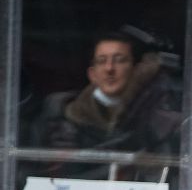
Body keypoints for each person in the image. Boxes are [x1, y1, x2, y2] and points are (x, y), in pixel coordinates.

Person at [34, 30, 181, 173]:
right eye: (101, 61)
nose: (109, 69)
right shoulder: (59, 118)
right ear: (92, 74)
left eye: (119, 60)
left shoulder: (157, 115)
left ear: (134, 69)